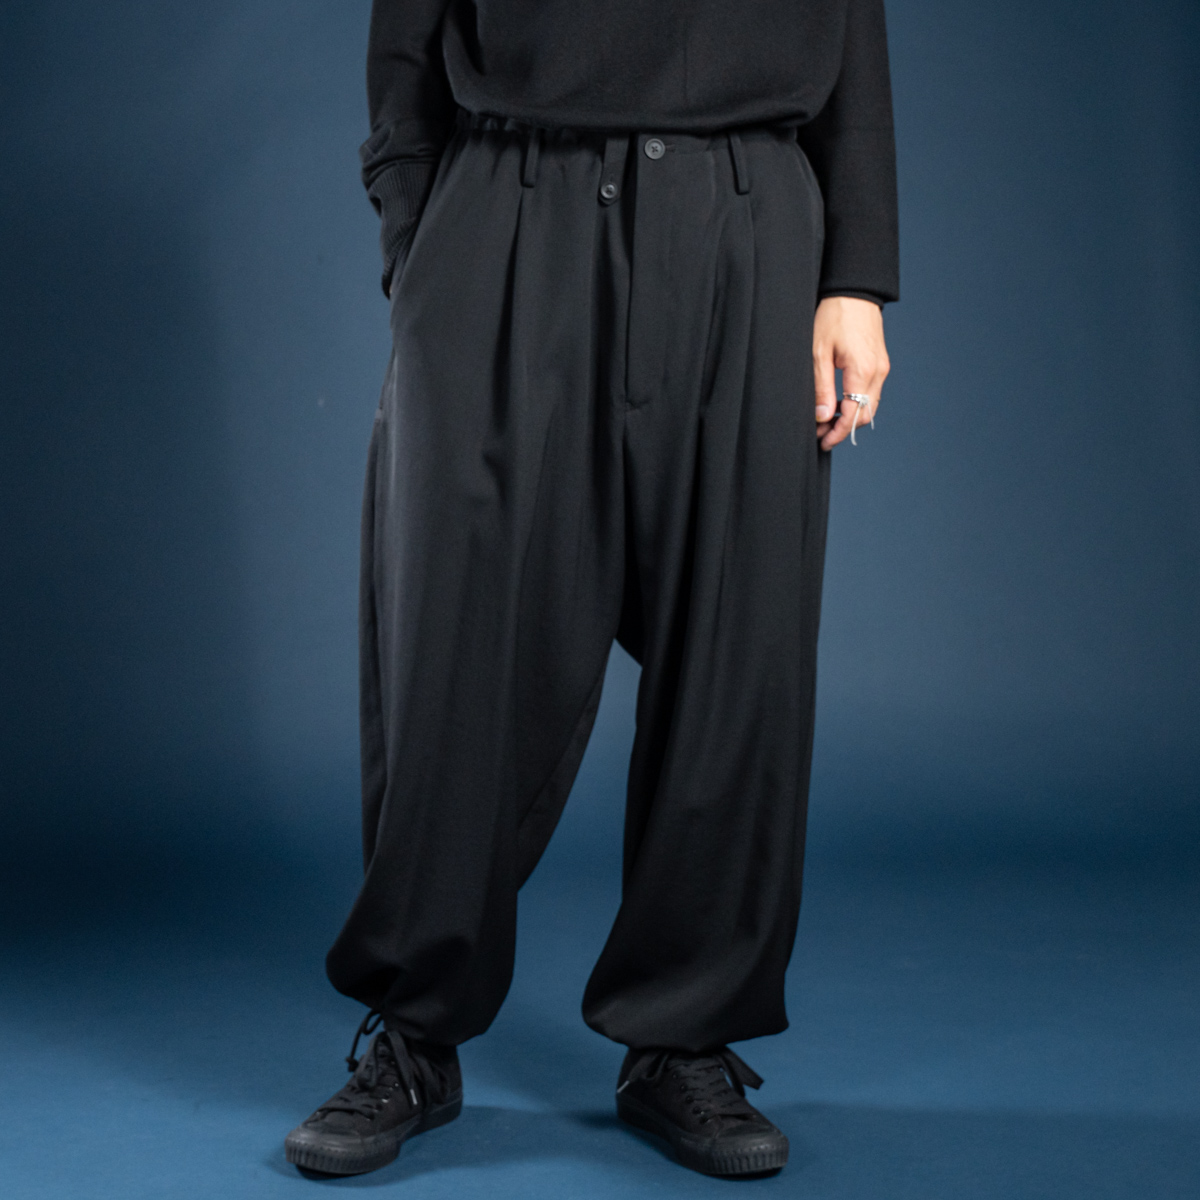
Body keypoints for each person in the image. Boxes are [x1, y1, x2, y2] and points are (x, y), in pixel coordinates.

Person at [285, 0, 897, 1179]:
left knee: (738, 643)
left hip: (748, 216)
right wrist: (421, 243)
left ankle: (683, 1039)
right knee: (453, 638)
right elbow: (405, 41)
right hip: (510, 199)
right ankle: (415, 1032)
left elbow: (853, 28)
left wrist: (857, 274)